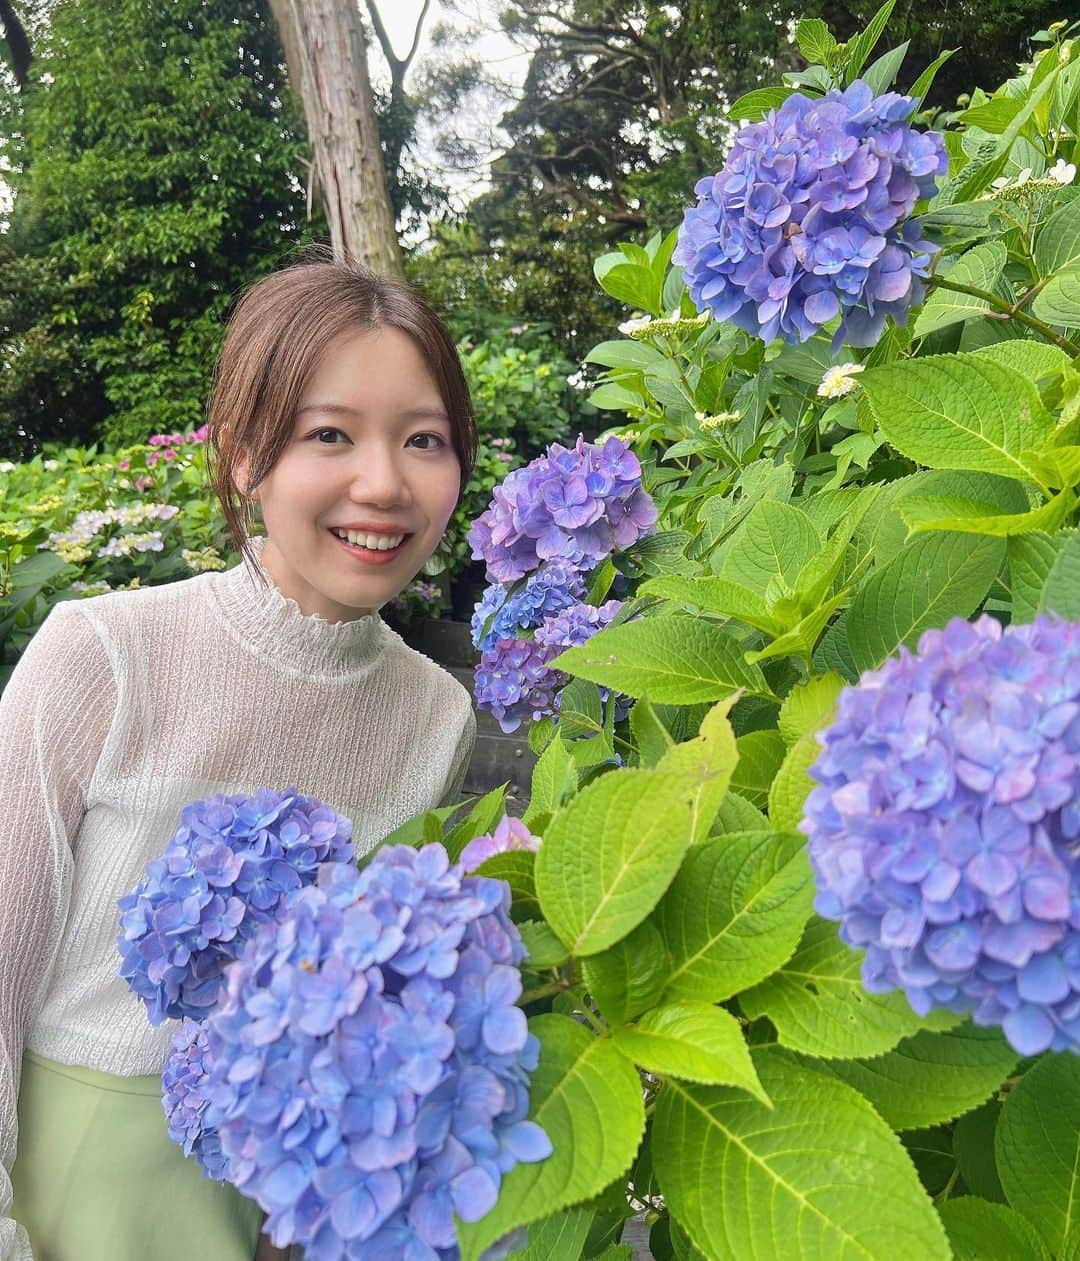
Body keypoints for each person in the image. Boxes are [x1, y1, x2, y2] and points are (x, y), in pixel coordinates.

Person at [0, 256, 479, 1261]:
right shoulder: (104, 656)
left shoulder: (435, 714)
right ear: (249, 454)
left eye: (424, 439)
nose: (385, 482)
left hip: (288, 1207)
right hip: (64, 1193)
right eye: (330, 434)